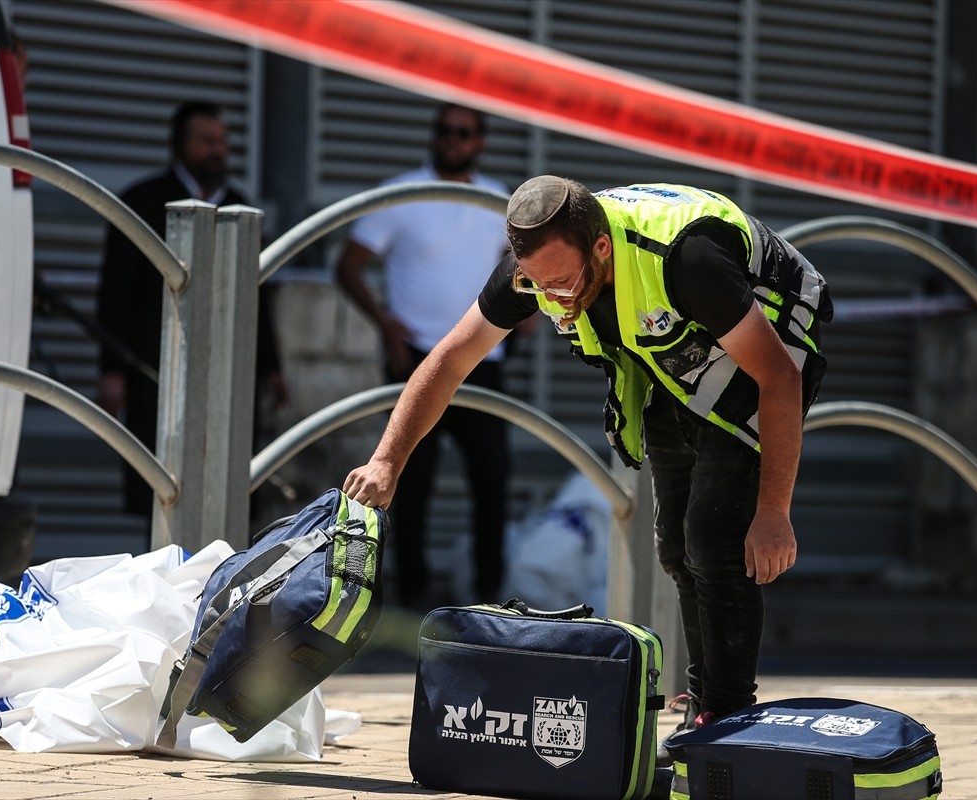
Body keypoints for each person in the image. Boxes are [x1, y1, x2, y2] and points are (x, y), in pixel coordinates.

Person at [343, 176, 832, 762]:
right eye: (538, 285)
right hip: (674, 354)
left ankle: (726, 722)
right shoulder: (538, 271)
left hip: (766, 343)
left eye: (563, 282)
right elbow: (448, 361)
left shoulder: (687, 260)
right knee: (676, 546)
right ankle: (704, 701)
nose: (554, 298)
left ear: (600, 246)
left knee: (714, 537)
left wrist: (774, 513)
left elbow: (779, 378)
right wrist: (386, 461)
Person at [335, 103, 511, 609]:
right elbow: (349, 264)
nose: (453, 140)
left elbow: (518, 262)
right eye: (445, 131)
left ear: (479, 141)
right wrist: (384, 321)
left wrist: (520, 321)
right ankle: (406, 596)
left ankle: (490, 597)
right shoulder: (404, 193)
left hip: (483, 360)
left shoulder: (496, 199)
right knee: (408, 481)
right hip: (416, 356)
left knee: (492, 481)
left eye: (464, 132)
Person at [97, 101, 287, 537]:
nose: (217, 151)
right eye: (206, 142)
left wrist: (273, 368)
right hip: (155, 364)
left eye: (222, 142)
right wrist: (110, 370)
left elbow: (257, 296)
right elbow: (115, 294)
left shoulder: (240, 208)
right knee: (161, 477)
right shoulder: (142, 201)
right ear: (180, 145)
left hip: (228, 367)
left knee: (226, 469)